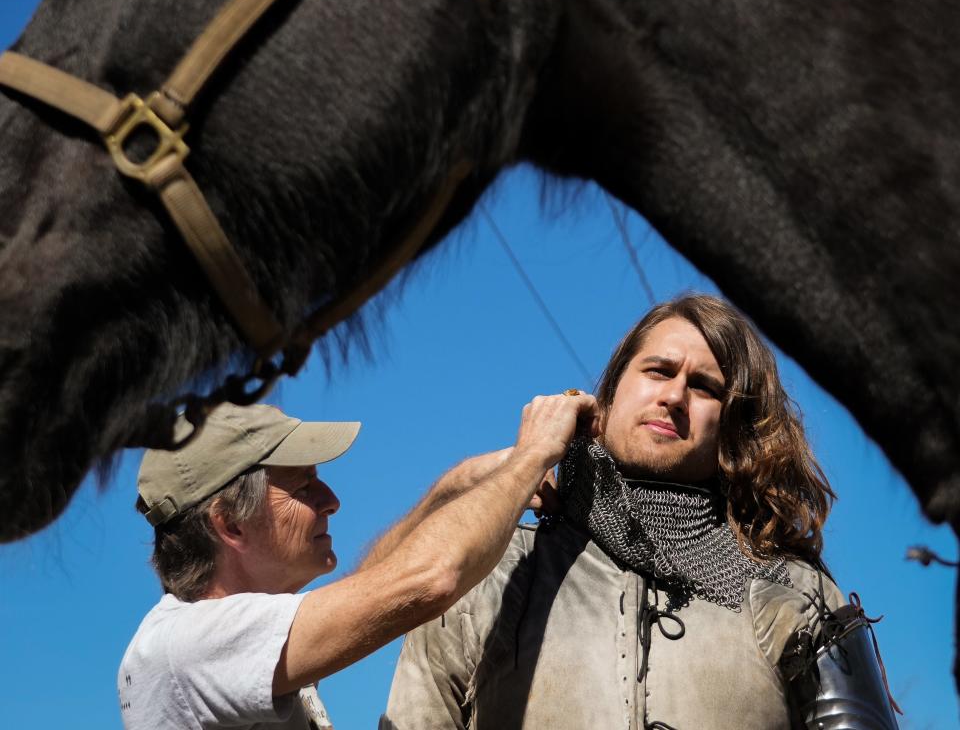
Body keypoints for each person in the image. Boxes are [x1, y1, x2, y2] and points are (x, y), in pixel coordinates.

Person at [381, 294, 901, 730]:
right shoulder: (492, 570)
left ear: (732, 427)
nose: (675, 395)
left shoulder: (793, 592)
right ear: (604, 401)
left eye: (704, 387)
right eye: (658, 371)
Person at [117, 390, 598, 729]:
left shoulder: (221, 644)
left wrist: (455, 489)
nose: (330, 500)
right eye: (304, 486)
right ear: (230, 525)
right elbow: (425, 580)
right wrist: (533, 456)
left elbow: (370, 588)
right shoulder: (186, 648)